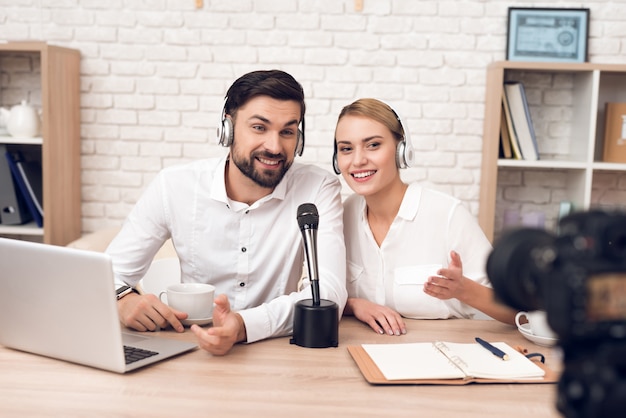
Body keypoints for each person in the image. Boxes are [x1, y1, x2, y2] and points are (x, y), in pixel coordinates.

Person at [107, 70, 347, 355]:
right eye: (259, 127)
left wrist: (243, 325)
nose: (274, 146)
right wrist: (123, 300)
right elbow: (105, 273)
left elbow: (327, 295)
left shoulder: (318, 189)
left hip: (277, 353)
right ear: (227, 129)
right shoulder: (173, 185)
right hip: (188, 349)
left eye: (287, 131)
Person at [332, 98, 516, 336]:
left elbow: (515, 311)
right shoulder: (342, 215)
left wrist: (463, 290)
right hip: (361, 352)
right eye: (346, 149)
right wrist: (356, 305)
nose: (357, 160)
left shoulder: (448, 214)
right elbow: (320, 293)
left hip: (442, 355)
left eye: (373, 145)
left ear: (402, 150)